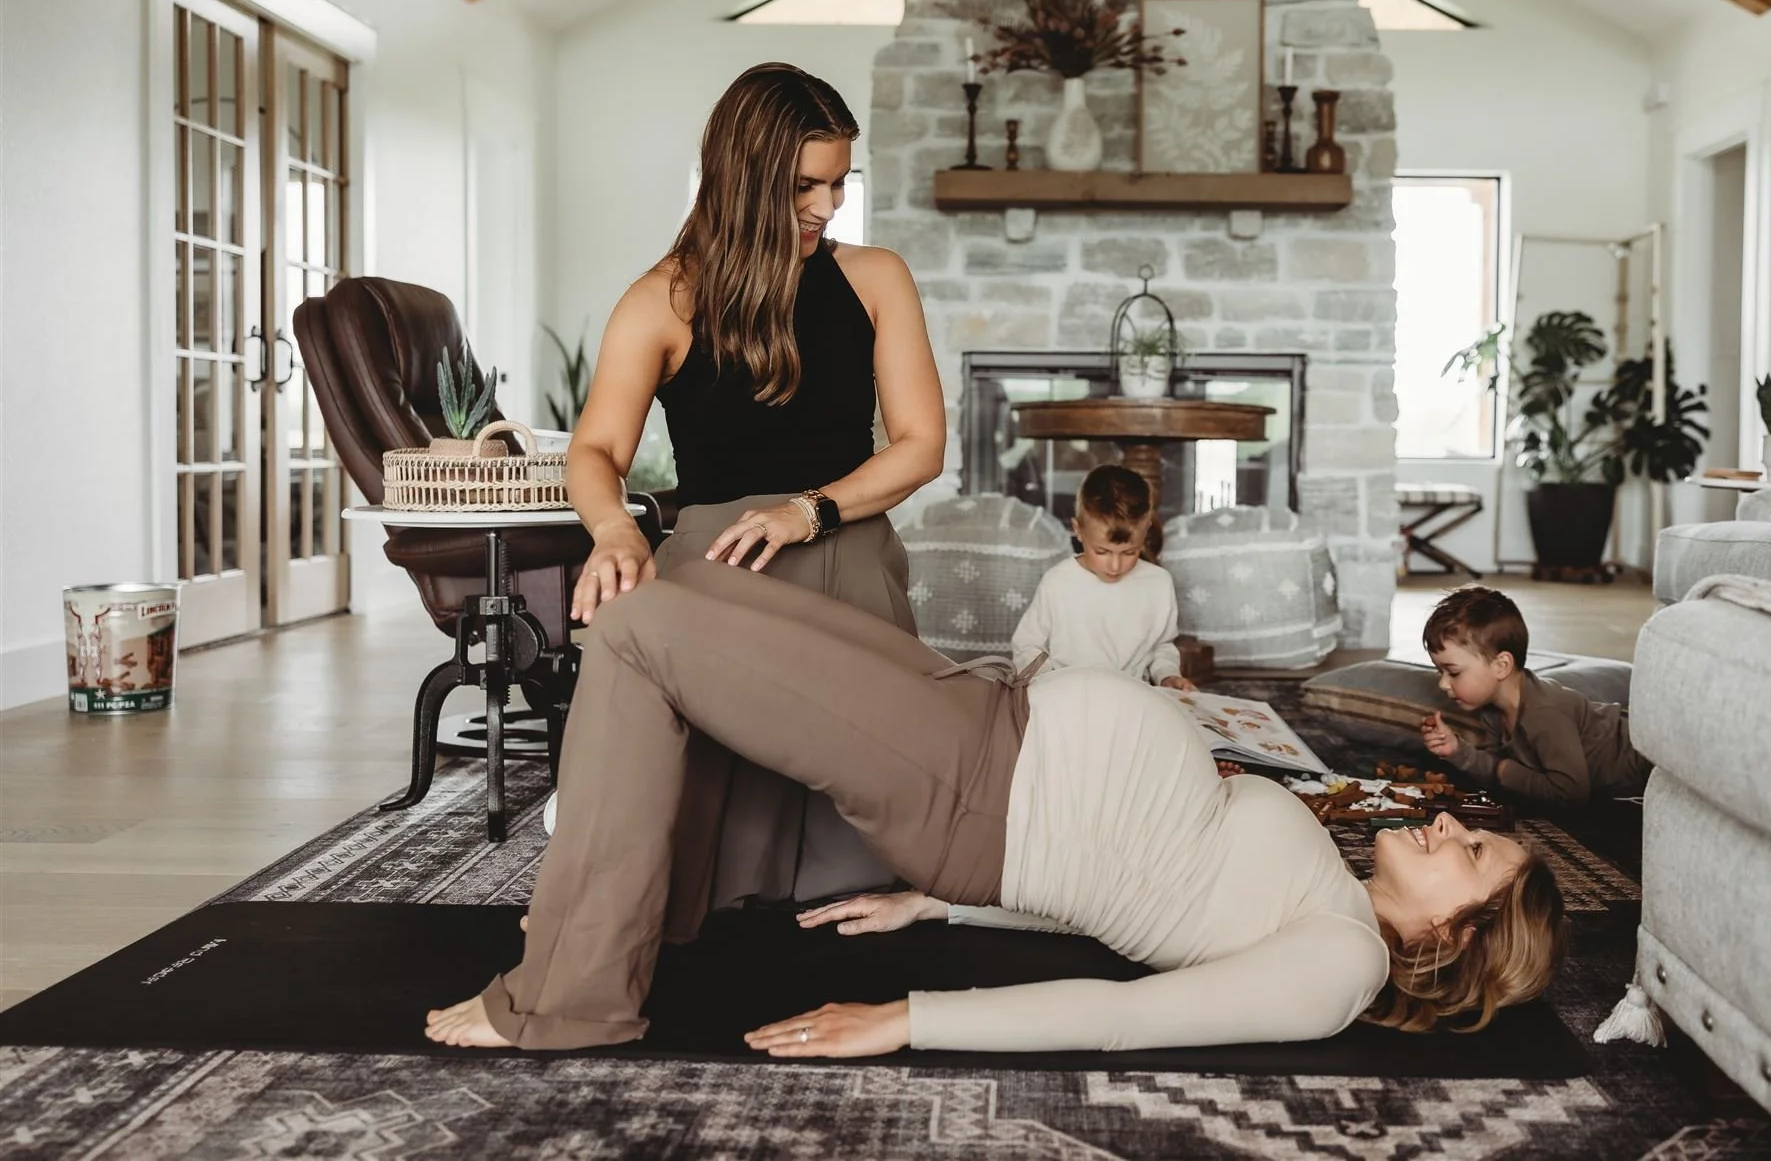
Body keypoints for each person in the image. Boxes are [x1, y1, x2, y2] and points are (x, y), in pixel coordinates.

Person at [423, 558, 1567, 1052]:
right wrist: (935, 910)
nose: (1453, 825)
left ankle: (566, 995)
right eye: (1475, 829)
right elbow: (1136, 900)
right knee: (699, 591)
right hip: (984, 727)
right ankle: (652, 919)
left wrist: (908, 1017)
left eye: (1472, 856)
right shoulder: (1332, 893)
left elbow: (1127, 1012)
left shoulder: (1337, 973)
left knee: (636, 631)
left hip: (970, 784)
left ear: (1445, 944)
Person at [558, 61, 945, 920]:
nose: (827, 205)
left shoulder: (876, 278)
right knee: (687, 873)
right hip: (721, 568)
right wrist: (615, 531)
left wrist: (809, 510)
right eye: (805, 184)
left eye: (841, 182)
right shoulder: (660, 300)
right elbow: (594, 448)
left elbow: (921, 447)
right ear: (742, 176)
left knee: (885, 830)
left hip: (841, 543)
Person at [1417, 586, 1651, 804]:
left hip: (1648, 754)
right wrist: (1457, 750)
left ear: (1501, 666)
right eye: (1440, 671)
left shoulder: (1543, 713)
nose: (1443, 684)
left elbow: (1570, 792)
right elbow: (1495, 776)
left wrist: (1504, 769)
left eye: (1453, 672)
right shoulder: (1493, 711)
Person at [1010, 465, 1196, 690]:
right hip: (1067, 697)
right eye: (1102, 552)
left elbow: (1161, 647)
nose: (1115, 566)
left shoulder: (1159, 583)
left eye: (1129, 552)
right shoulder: (1058, 582)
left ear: (1146, 529)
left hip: (1135, 699)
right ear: (1078, 530)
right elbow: (1027, 646)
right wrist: (1050, 685)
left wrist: (1167, 675)